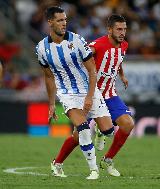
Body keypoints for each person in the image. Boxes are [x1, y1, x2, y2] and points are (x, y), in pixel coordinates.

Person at [51, 14, 135, 177]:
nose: (122, 32)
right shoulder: (97, 45)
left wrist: (122, 75)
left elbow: (117, 60)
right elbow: (81, 57)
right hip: (91, 95)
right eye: (119, 29)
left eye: (124, 29)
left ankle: (107, 159)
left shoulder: (123, 45)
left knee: (128, 124)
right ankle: (57, 163)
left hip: (110, 94)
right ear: (109, 30)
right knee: (78, 137)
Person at [36, 6, 114, 179]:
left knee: (108, 130)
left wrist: (89, 97)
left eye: (65, 19)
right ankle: (94, 170)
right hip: (67, 94)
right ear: (50, 22)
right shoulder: (41, 48)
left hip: (89, 90)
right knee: (84, 130)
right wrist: (51, 104)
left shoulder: (78, 40)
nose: (64, 23)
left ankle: (57, 162)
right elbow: (48, 77)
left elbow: (92, 70)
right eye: (59, 20)